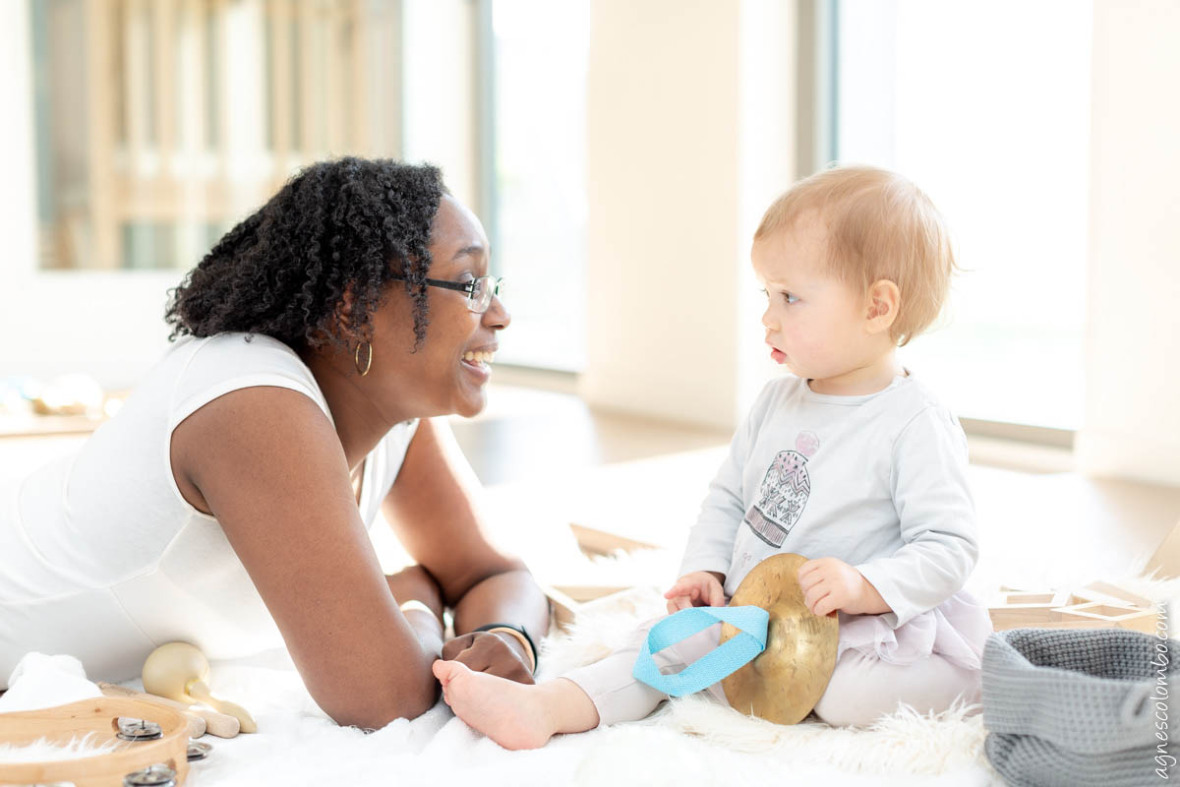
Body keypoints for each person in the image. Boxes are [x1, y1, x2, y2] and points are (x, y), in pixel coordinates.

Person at [433, 165, 993, 749]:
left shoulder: (913, 421)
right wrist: (707, 570)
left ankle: (987, 680)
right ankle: (548, 706)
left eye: (791, 297)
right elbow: (729, 498)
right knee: (659, 644)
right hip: (754, 618)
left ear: (878, 308)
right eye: (767, 295)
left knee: (846, 694)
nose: (768, 317)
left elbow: (948, 545)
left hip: (864, 629)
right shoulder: (778, 402)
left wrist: (865, 586)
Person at [0, 158, 550, 728]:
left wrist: (504, 637)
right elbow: (384, 699)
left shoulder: (395, 415)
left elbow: (495, 575)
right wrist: (418, 605)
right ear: (354, 307)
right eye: (469, 284)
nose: (501, 315)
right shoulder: (249, 399)